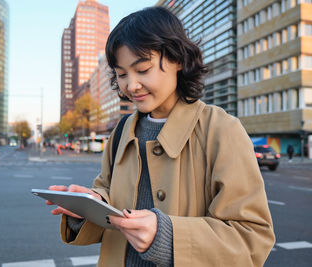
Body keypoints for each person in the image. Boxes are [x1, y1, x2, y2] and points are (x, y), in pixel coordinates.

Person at [47, 7, 275, 267]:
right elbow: (109, 198)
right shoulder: (121, 132)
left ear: (178, 59)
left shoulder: (221, 129)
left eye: (143, 69)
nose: (131, 85)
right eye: (121, 74)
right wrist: (90, 207)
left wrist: (167, 238)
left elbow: (252, 238)